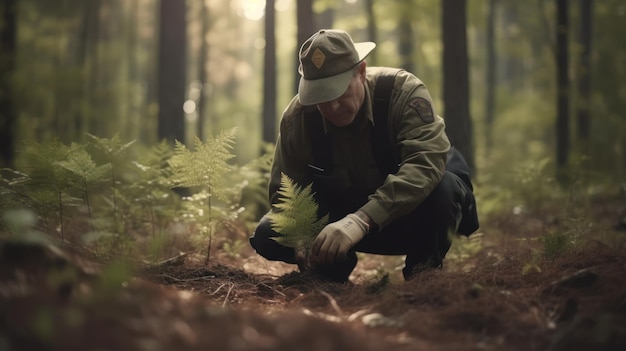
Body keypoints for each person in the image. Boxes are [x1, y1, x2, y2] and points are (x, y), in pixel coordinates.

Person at [249, 29, 479, 282]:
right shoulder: (298, 118)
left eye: (339, 93)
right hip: (337, 228)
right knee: (269, 232)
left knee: (442, 188)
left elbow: (426, 163)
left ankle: (423, 277)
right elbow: (284, 189)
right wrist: (301, 235)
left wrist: (361, 221)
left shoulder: (402, 92)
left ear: (361, 72)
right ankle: (331, 273)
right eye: (321, 98)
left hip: (410, 217)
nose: (332, 107)